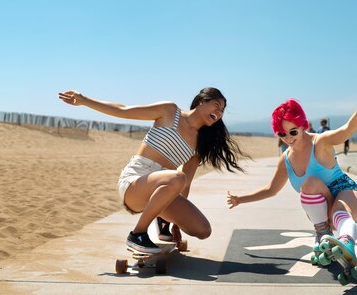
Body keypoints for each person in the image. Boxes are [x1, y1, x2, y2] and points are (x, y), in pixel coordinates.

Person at [58, 87, 246, 254]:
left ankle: (162, 220)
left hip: (167, 186)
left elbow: (186, 183)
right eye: (216, 105)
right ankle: (138, 234)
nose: (219, 112)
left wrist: (176, 222)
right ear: (201, 101)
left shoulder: (200, 142)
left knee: (203, 230)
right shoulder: (170, 111)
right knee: (176, 177)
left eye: (222, 111)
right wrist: (84, 100)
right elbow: (123, 110)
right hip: (136, 181)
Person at [227, 86, 357, 279]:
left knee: (334, 204)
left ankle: (346, 241)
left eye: (293, 131)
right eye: (282, 134)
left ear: (302, 125)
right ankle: (324, 236)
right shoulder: (286, 159)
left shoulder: (320, 142)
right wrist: (240, 199)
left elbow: (347, 129)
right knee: (309, 185)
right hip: (322, 212)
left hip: (348, 197)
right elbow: (270, 190)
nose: (288, 138)